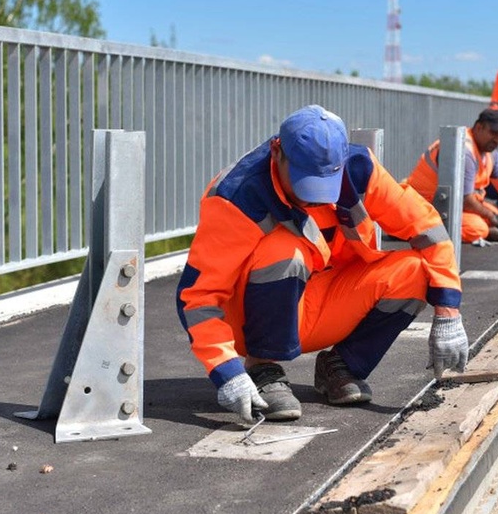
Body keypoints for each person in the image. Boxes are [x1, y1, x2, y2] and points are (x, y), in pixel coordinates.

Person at [176, 105, 469, 427]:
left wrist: (448, 313)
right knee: (284, 250)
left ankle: (342, 366)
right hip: (247, 320)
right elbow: (198, 296)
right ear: (277, 151)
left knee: (414, 270)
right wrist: (226, 372)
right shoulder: (238, 196)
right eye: (305, 182)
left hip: (319, 301)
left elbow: (426, 229)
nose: (315, 198)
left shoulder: (360, 169)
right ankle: (263, 369)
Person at [406, 109, 498, 243]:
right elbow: (465, 200)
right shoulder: (465, 151)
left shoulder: (490, 151)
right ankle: (415, 230)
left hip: (450, 204)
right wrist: (493, 218)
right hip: (426, 205)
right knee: (478, 228)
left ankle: (485, 229)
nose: (497, 140)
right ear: (479, 127)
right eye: (493, 133)